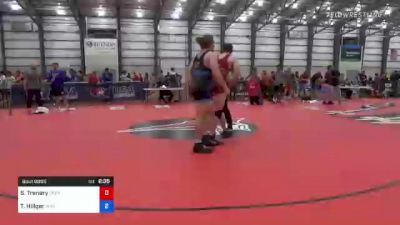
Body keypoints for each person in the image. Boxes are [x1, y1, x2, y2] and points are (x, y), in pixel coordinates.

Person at [189, 34, 229, 153]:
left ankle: (207, 137)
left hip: (200, 87)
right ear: (211, 43)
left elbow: (191, 71)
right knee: (201, 116)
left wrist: (191, 86)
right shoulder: (210, 54)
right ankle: (197, 143)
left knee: (211, 114)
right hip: (204, 88)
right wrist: (225, 86)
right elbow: (216, 73)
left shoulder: (197, 55)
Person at [214, 43, 241, 137]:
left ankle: (224, 127)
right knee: (221, 108)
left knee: (220, 107)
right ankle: (225, 126)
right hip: (221, 86)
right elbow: (237, 74)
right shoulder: (232, 58)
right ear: (231, 50)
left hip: (211, 84)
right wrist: (229, 85)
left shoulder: (216, 56)